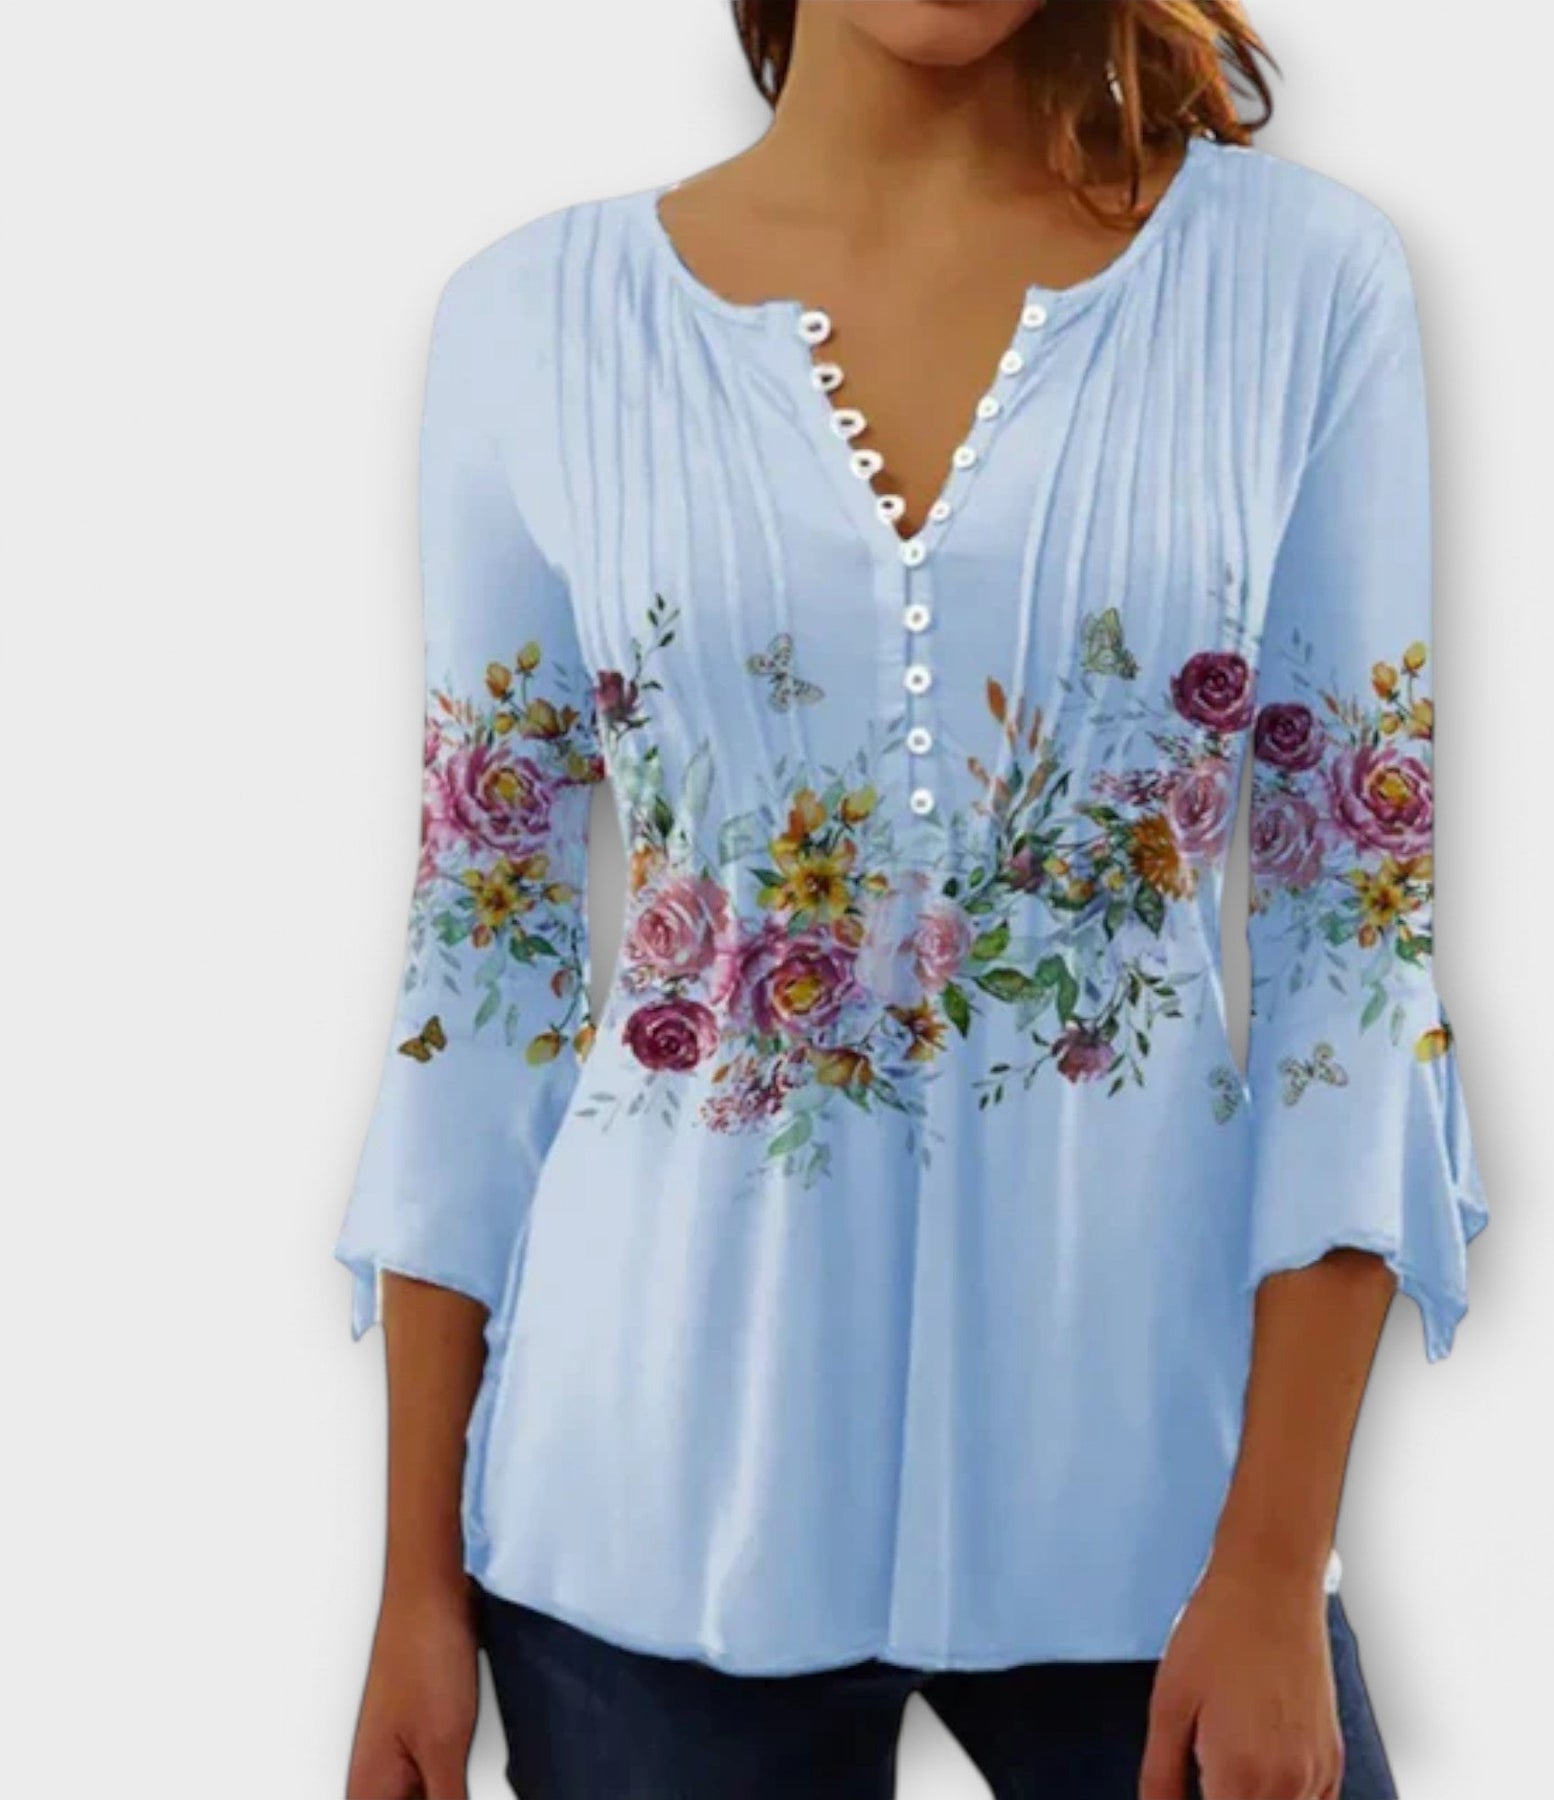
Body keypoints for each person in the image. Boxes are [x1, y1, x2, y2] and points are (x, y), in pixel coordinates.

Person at [337, 3, 1487, 1796]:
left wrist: (1277, 1556)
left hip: (1158, 1502)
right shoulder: (532, 326)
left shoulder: (1298, 289)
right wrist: (413, 1576)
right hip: (640, 1515)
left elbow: (1355, 936)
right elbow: (480, 954)